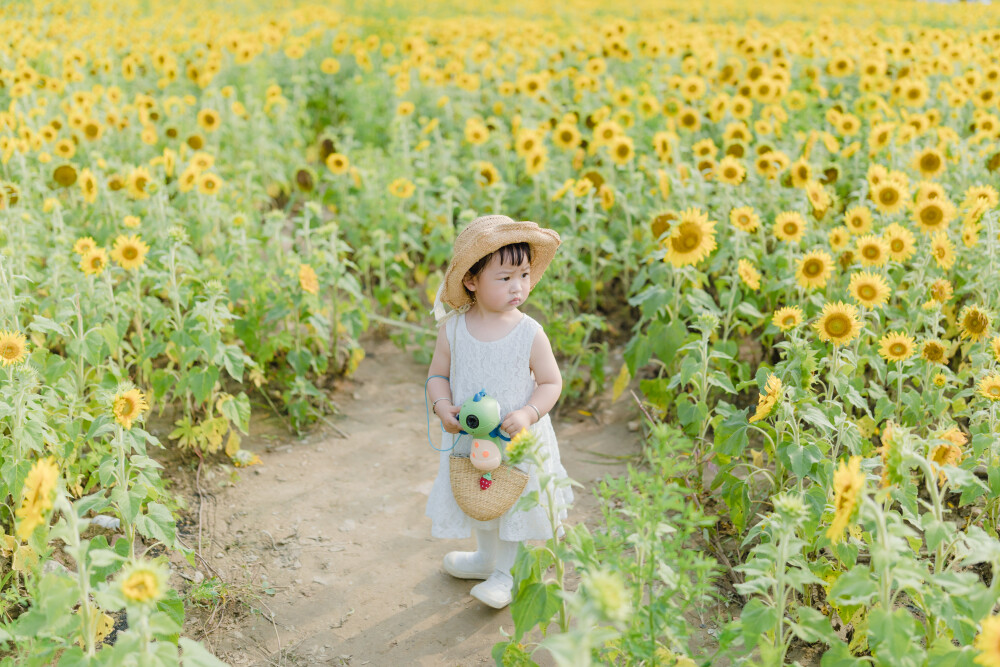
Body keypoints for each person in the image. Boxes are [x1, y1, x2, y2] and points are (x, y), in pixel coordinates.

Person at [424, 214, 573, 609]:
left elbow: (551, 383)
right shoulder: (453, 329)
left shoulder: (529, 332)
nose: (518, 287)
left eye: (523, 275)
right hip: (470, 438)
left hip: (516, 439)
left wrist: (527, 413)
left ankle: (507, 573)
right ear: (471, 280)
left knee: (513, 502)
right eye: (505, 278)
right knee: (478, 496)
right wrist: (442, 405)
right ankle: (485, 558)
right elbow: (437, 375)